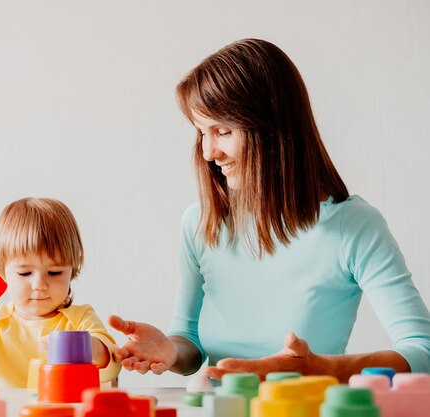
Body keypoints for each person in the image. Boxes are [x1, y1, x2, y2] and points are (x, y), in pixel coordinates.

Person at [108, 38, 430, 382]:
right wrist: (171, 350)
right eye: (202, 133)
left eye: (223, 131)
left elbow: (421, 350)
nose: (208, 152)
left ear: (273, 129)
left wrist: (322, 368)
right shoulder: (200, 224)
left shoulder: (353, 227)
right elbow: (190, 345)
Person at [0, 197, 121, 388]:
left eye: (54, 272)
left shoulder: (80, 320)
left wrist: (87, 348)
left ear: (73, 268)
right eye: (24, 272)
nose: (39, 285)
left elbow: (111, 367)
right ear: (2, 272)